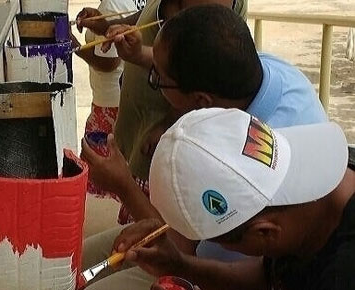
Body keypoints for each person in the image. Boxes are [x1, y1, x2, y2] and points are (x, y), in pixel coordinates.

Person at [81, 4, 327, 289]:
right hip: (192, 246)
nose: (154, 81)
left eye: (158, 78)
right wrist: (138, 55)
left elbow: (181, 247)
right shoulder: (255, 71)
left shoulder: (258, 153)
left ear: (201, 102)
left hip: (212, 270)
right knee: (76, 259)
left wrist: (123, 185)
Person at [77, 0, 247, 224]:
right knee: (136, 237)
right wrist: (107, 24)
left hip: (167, 137)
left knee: (155, 243)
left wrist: (168, 126)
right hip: (150, 132)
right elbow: (149, 18)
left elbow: (201, 69)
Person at [115, 107, 355, 290]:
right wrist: (178, 265)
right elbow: (266, 276)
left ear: (264, 233)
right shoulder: (307, 213)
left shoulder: (341, 274)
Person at [73, 0, 157, 197]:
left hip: (109, 101)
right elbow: (132, 11)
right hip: (137, 92)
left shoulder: (111, 4)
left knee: (99, 166)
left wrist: (73, 46)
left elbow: (106, 62)